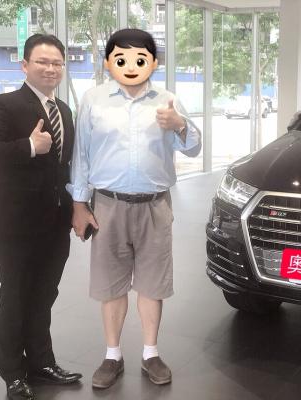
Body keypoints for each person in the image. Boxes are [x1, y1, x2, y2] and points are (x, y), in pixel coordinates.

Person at [69, 28, 201, 389]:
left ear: (153, 63)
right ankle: (112, 355)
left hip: (154, 206)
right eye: (121, 58)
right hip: (107, 205)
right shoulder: (94, 100)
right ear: (108, 62)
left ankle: (150, 353)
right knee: (110, 284)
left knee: (152, 284)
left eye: (140, 58)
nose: (131, 65)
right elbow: (81, 155)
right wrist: (79, 203)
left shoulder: (168, 100)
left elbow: (193, 148)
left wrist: (180, 125)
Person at [0, 34, 82, 400]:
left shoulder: (63, 110)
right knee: (15, 297)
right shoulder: (4, 105)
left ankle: (42, 363)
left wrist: (78, 208)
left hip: (55, 224)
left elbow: (65, 168)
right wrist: (29, 147)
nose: (51, 68)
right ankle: (13, 374)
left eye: (57, 63)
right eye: (42, 62)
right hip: (15, 225)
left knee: (44, 295)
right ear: (25, 65)